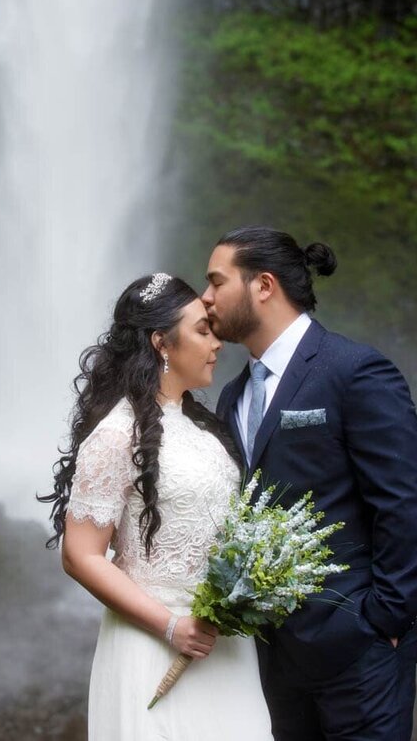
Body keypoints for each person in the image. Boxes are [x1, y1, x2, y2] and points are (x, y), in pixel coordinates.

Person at [202, 226, 417, 741]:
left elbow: (406, 500)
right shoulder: (232, 394)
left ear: (263, 285)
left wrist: (383, 620)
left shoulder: (355, 371)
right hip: (274, 655)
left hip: (359, 648)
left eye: (216, 282)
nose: (205, 300)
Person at [40, 273, 273, 740]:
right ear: (161, 343)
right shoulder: (115, 435)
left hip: (225, 646)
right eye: (202, 331)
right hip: (155, 643)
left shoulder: (205, 428)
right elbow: (79, 555)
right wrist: (170, 627)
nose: (217, 343)